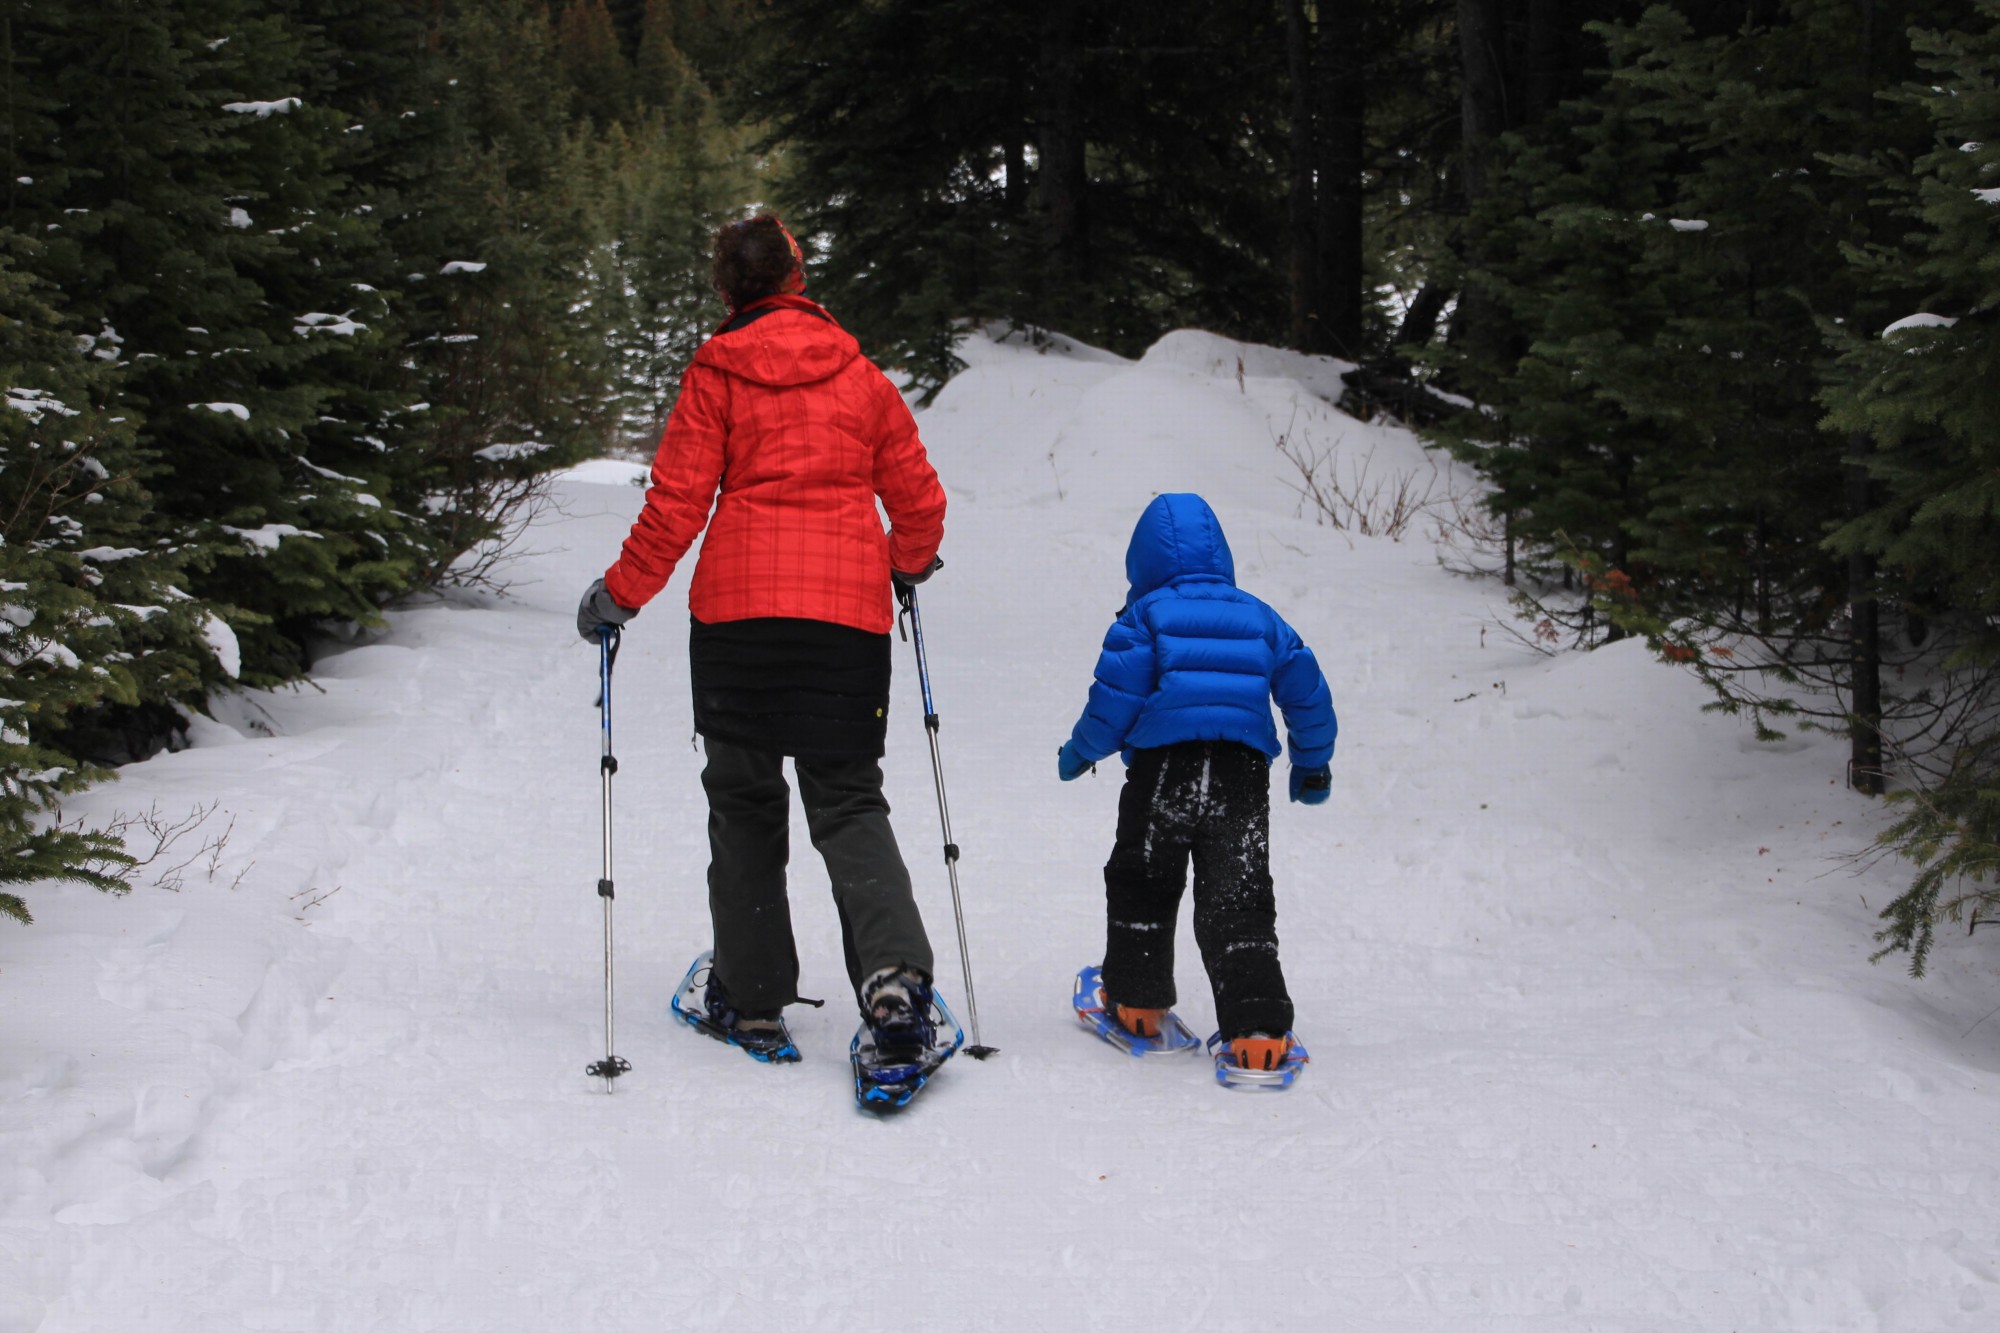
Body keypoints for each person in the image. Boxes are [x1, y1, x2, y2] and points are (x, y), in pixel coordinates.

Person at [575, 214, 948, 1063]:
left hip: (737, 624)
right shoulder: (860, 379)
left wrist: (617, 597)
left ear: (725, 291)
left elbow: (674, 509)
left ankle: (749, 999)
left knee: (743, 801)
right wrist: (904, 564)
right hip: (844, 625)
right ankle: (894, 983)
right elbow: (921, 505)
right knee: (849, 799)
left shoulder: (715, 377)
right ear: (796, 273)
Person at [1057, 492, 1335, 1071]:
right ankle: (1258, 1030)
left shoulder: (1144, 617)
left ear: (1143, 563)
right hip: (1242, 773)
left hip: (1164, 770)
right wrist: (1312, 762)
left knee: (1145, 878)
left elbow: (1114, 701)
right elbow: (1307, 692)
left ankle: (1136, 1001)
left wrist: (1082, 752)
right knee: (1238, 895)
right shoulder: (1261, 616)